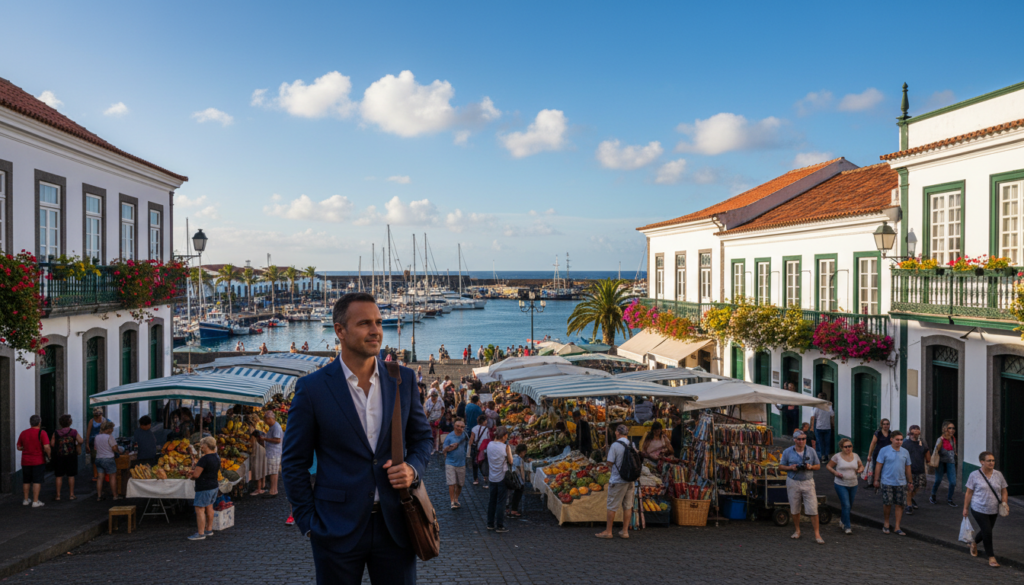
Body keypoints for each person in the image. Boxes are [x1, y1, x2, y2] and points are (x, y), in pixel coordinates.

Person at [281, 292, 431, 585]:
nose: (375, 330)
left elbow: (423, 439)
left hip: (396, 524)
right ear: (340, 330)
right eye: (364, 323)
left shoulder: (403, 379)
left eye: (378, 322)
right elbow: (293, 461)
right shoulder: (312, 389)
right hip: (334, 527)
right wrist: (309, 523)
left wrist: (412, 469)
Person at [963, 451, 1009, 568]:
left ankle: (973, 543)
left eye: (993, 460)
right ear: (981, 462)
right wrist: (965, 508)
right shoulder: (974, 475)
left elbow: (1004, 490)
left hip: (993, 509)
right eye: (989, 461)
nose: (991, 463)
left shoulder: (998, 474)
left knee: (985, 531)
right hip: (978, 507)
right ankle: (991, 557)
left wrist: (1004, 503)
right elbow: (969, 493)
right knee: (987, 531)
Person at [779, 430, 823, 543]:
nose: (802, 441)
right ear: (794, 440)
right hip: (793, 481)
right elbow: (781, 466)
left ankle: (817, 534)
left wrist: (810, 467)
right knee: (795, 507)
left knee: (813, 508)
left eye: (804, 439)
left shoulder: (811, 451)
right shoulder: (788, 451)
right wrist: (791, 468)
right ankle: (797, 530)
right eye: (799, 439)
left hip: (808, 481)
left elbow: (818, 466)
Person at [596, 424, 634, 539]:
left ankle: (608, 531)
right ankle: (625, 531)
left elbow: (610, 462)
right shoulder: (632, 444)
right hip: (630, 479)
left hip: (618, 480)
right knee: (628, 505)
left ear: (617, 433)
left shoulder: (615, 445)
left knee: (612, 505)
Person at [873, 429, 912, 535]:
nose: (899, 442)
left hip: (901, 482)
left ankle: (897, 526)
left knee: (900, 504)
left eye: (901, 440)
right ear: (891, 439)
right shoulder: (884, 450)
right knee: (887, 503)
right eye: (897, 440)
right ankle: (886, 523)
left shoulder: (905, 452)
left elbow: (907, 467)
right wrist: (876, 479)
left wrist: (910, 481)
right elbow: (878, 465)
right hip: (887, 481)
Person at [826, 438, 863, 534]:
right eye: (845, 447)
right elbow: (828, 466)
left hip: (853, 484)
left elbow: (861, 466)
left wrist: (860, 470)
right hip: (840, 484)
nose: (848, 448)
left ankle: (842, 521)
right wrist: (835, 473)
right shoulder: (837, 456)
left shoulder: (856, 456)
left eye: (850, 446)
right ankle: (847, 527)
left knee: (848, 506)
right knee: (846, 504)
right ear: (841, 448)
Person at [187, 436, 221, 540]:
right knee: (209, 508)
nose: (201, 448)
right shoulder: (216, 456)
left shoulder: (204, 459)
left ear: (206, 446)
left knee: (200, 509)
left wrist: (190, 476)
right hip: (214, 485)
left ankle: (200, 533)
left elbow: (197, 475)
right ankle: (208, 530)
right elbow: (207, 470)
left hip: (204, 487)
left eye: (202, 446)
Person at [16, 415, 51, 507]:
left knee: (26, 481)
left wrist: (26, 448)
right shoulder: (42, 433)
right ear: (39, 422)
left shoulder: (23, 433)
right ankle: (35, 501)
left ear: (30, 423)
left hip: (25, 461)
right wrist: (49, 455)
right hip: (38, 461)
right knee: (37, 481)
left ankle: (26, 500)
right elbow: (46, 447)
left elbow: (19, 447)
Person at [485, 426, 513, 533]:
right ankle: (500, 525)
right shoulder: (506, 447)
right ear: (505, 436)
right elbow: (510, 461)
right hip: (502, 477)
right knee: (501, 502)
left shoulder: (489, 445)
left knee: (492, 501)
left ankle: (490, 523)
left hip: (492, 477)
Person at [52, 414, 83, 501]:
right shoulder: (73, 432)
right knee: (71, 476)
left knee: (59, 476)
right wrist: (77, 444)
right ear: (70, 422)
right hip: (71, 456)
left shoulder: (56, 432)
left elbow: (52, 444)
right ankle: (71, 495)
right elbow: (81, 440)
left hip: (59, 457)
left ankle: (58, 495)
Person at [442, 418, 470, 509]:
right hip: (450, 462)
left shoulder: (465, 435)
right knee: (451, 483)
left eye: (462, 427)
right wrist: (450, 447)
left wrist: (466, 456)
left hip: (461, 463)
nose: (459, 428)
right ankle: (452, 501)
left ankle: (456, 498)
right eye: (457, 426)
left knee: (460, 484)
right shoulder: (449, 437)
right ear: (454, 426)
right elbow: (443, 450)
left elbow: (467, 446)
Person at [902, 425, 929, 515]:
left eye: (917, 430)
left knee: (918, 486)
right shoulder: (905, 443)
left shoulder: (923, 442)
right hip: (909, 470)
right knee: (909, 488)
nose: (916, 432)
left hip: (920, 469)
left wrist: (929, 462)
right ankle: (909, 506)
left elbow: (927, 454)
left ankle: (909, 498)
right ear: (910, 432)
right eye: (913, 430)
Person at [256, 410, 283, 496]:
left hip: (274, 453)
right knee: (273, 472)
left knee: (273, 472)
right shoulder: (272, 427)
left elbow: (277, 440)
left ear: (270, 419)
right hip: (272, 452)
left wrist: (264, 439)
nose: (264, 422)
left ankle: (273, 491)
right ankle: (273, 489)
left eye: (265, 420)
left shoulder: (276, 427)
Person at [93, 421, 123, 501]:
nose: (112, 430)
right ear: (109, 429)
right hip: (108, 459)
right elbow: (114, 448)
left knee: (100, 478)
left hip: (98, 459)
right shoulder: (109, 437)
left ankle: (99, 496)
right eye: (112, 428)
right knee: (112, 477)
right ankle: (115, 495)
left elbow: (95, 448)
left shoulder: (97, 437)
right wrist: (118, 451)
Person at [930, 421, 958, 506]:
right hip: (941, 462)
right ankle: (933, 495)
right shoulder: (940, 439)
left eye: (953, 428)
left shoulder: (953, 439)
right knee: (938, 480)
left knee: (953, 482)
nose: (952, 430)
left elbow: (954, 450)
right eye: (950, 428)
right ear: (945, 429)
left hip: (951, 462)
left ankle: (950, 499)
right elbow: (935, 451)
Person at [86, 407, 107, 481]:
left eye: (99, 415)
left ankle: (102, 474)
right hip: (93, 442)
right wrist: (87, 444)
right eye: (96, 415)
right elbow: (88, 433)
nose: (98, 417)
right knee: (94, 459)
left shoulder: (105, 421)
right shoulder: (91, 421)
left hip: (103, 442)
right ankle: (95, 475)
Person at [507, 444, 529, 517]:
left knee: (508, 494)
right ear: (522, 452)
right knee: (517, 494)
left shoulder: (512, 457)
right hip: (518, 480)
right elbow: (522, 471)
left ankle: (507, 508)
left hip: (510, 479)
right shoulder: (520, 459)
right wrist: (524, 480)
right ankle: (514, 510)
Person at [810, 396, 834, 460]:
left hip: (819, 427)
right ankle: (826, 455)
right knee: (827, 442)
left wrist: (812, 427)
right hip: (827, 427)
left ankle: (822, 455)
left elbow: (813, 416)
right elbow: (832, 415)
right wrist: (833, 425)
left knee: (820, 442)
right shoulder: (829, 407)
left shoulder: (817, 407)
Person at [470, 414, 490, 486]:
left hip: (476, 449)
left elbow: (471, 440)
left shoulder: (474, 428)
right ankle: (485, 477)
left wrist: (469, 450)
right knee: (483, 463)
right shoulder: (487, 429)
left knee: (475, 464)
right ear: (484, 421)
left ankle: (476, 479)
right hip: (484, 450)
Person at [249, 419, 268, 495]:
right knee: (262, 470)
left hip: (258, 454)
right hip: (263, 452)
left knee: (258, 471)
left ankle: (258, 489)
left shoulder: (254, 440)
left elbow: (253, 449)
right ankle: (262, 485)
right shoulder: (260, 434)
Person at [424, 389, 445, 454]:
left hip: (438, 420)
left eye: (435, 396)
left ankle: (438, 448)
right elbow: (427, 412)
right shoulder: (428, 402)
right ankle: (432, 448)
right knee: (432, 434)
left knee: (438, 435)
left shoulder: (440, 400)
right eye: (433, 396)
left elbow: (443, 409)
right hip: (430, 420)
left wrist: (440, 418)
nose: (434, 397)